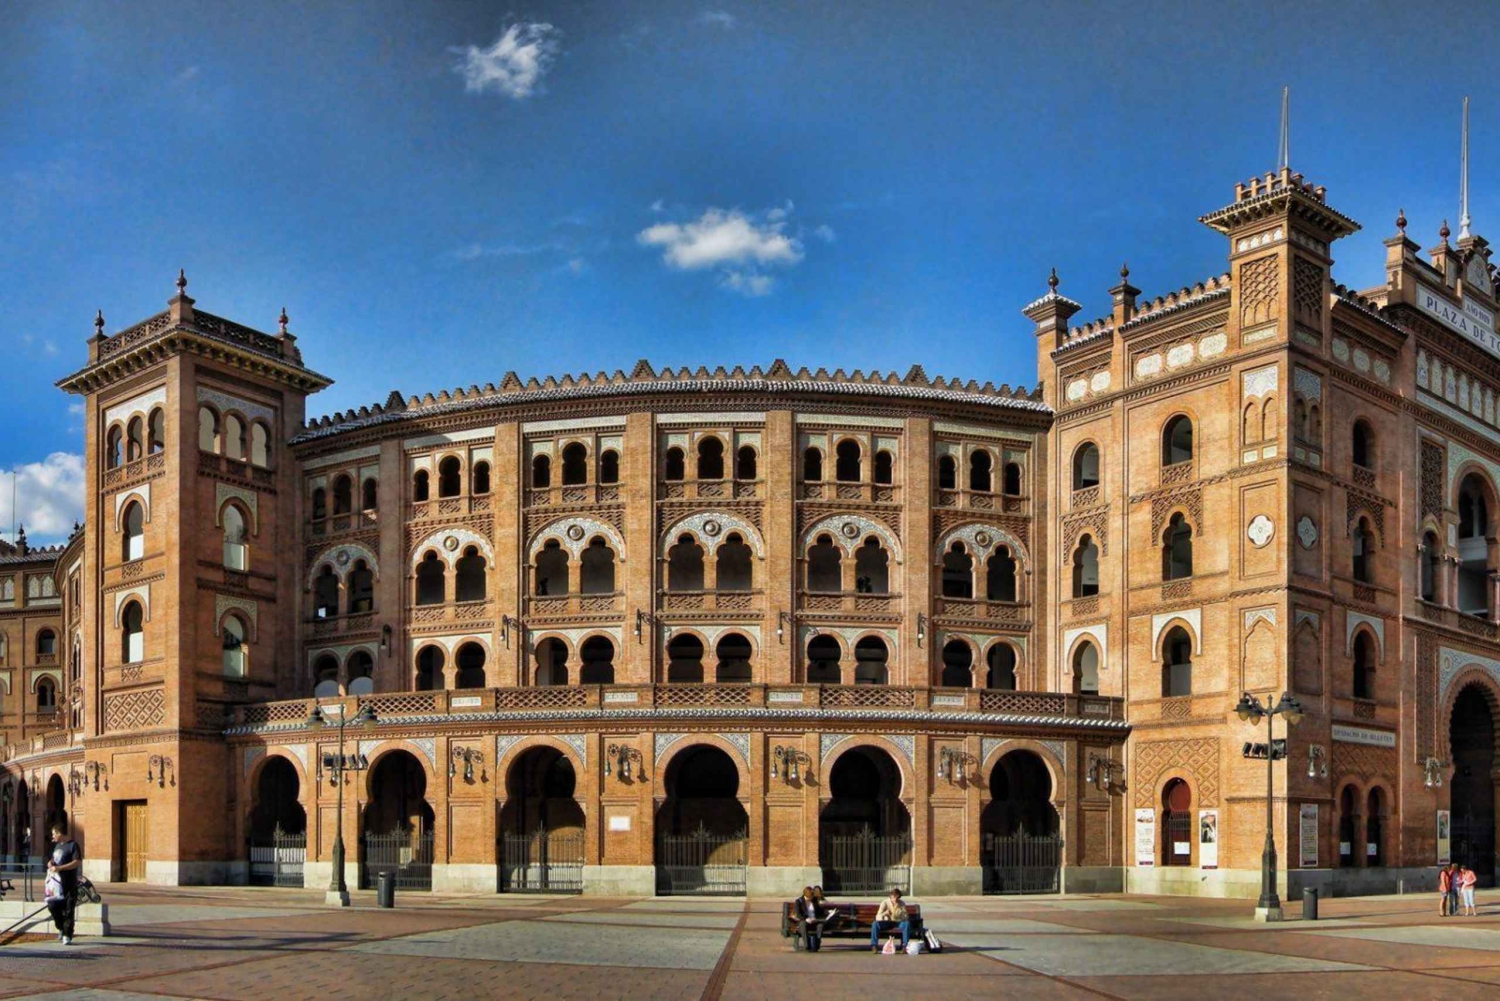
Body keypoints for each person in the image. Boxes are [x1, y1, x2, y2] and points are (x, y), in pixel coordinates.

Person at [46, 820, 83, 945]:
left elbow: (77, 861)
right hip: (56, 886)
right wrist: (51, 863)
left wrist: (60, 868)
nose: (53, 836)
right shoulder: (57, 846)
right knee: (52, 906)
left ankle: (67, 935)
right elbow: (55, 859)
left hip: (69, 884)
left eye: (54, 834)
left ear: (59, 833)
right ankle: (61, 927)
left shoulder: (73, 845)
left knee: (68, 910)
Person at [870, 887, 911, 953]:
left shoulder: (901, 903)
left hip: (898, 922)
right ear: (891, 896)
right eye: (894, 897)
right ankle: (874, 945)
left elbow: (906, 917)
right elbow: (878, 916)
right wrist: (885, 914)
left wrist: (899, 911)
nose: (895, 899)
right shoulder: (885, 903)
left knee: (906, 924)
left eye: (897, 898)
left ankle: (905, 946)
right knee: (875, 924)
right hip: (887, 922)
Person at [795, 885, 828, 952]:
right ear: (806, 895)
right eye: (809, 897)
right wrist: (806, 919)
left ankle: (817, 944)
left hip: (815, 920)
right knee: (802, 925)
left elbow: (819, 911)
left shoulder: (814, 900)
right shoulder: (799, 901)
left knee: (820, 926)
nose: (811, 899)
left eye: (811, 897)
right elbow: (798, 914)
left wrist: (827, 912)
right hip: (805, 920)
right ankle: (807, 945)